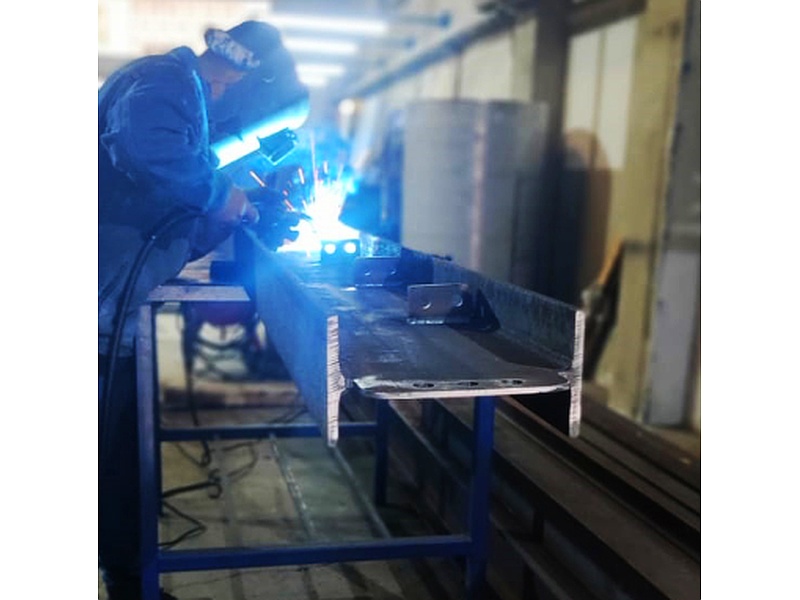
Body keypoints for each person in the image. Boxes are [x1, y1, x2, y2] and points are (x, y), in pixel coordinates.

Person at [98, 20, 307, 600]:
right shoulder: (166, 80)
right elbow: (146, 145)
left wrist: (238, 212)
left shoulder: (188, 108)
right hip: (94, 312)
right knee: (108, 459)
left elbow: (170, 228)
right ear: (249, 80)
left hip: (116, 314)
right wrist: (220, 194)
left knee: (124, 459)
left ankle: (129, 582)